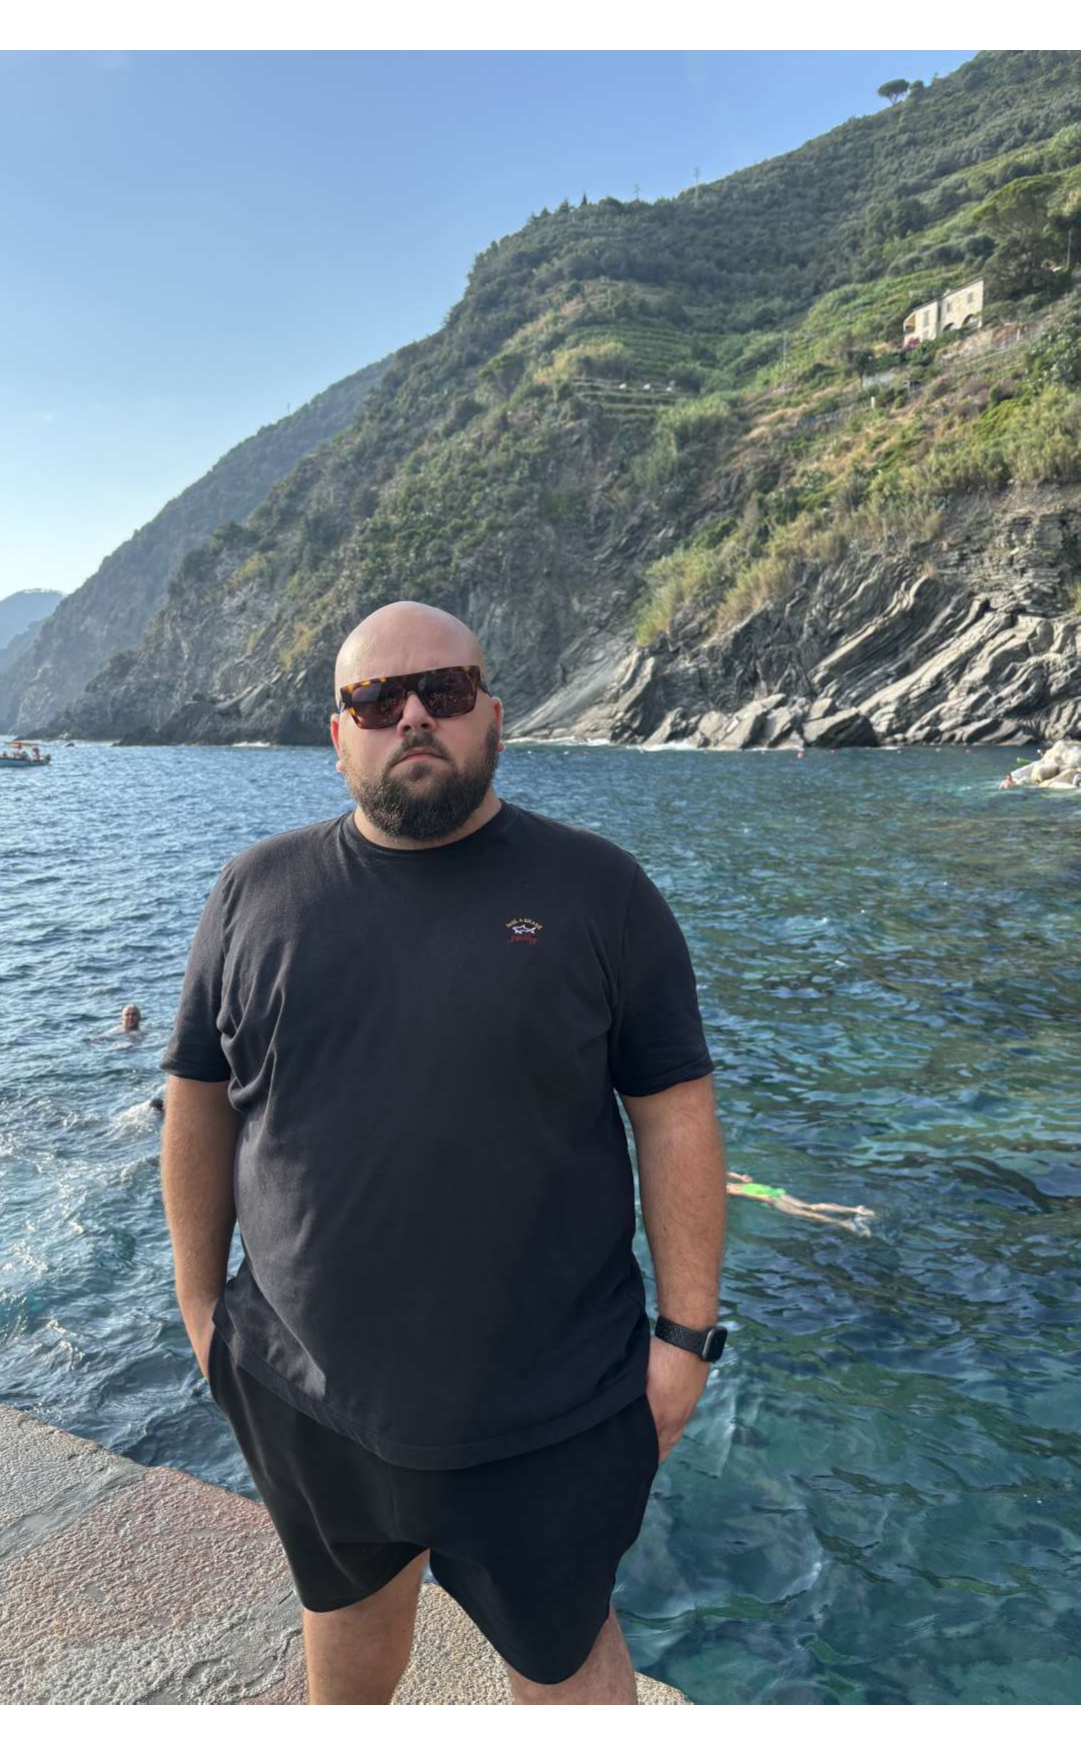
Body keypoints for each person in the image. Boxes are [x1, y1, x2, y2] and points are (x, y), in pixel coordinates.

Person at [159, 600, 726, 1705]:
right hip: (304, 1396)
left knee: (562, 1656)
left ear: (493, 717)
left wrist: (685, 1339)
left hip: (550, 1410)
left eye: (445, 691)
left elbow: (675, 1114)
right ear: (339, 737)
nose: (412, 715)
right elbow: (199, 1097)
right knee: (344, 1615)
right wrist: (200, 1310)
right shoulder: (253, 891)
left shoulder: (599, 891)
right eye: (377, 700)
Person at [727, 1171, 874, 1234]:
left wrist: (762, 1198)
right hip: (764, 1188)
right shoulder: (717, 1173)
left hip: (762, 1195)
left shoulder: (722, 1188)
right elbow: (727, 1173)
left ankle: (844, 1223)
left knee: (804, 1214)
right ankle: (855, 1209)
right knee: (809, 1207)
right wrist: (740, 1177)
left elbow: (738, 1192)